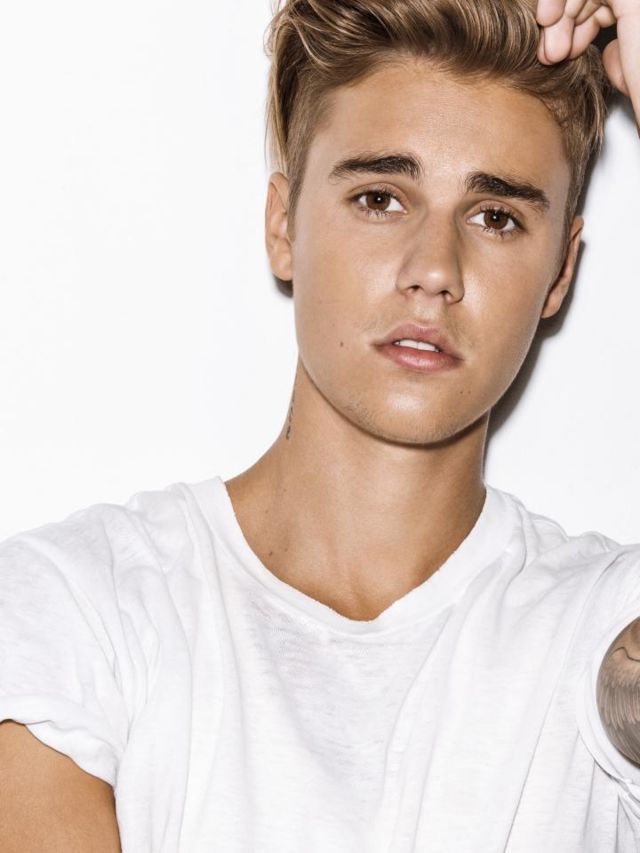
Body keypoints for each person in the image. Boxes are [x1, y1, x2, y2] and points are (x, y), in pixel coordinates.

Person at [1, 0, 639, 850]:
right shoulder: (76, 607)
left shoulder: (603, 627)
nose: (435, 270)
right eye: (380, 198)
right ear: (283, 226)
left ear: (559, 272)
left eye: (496, 216)